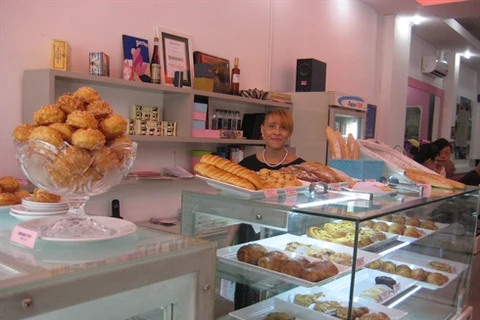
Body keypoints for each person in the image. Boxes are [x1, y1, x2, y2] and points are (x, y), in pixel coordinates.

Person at [230, 108, 305, 309]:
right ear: (262, 130)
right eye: (271, 126)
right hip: (251, 239)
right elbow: (237, 206)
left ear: (289, 133)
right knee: (248, 294)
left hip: (285, 240)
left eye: (283, 127)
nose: (277, 132)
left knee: (282, 296)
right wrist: (227, 244)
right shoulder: (246, 165)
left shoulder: (300, 169)